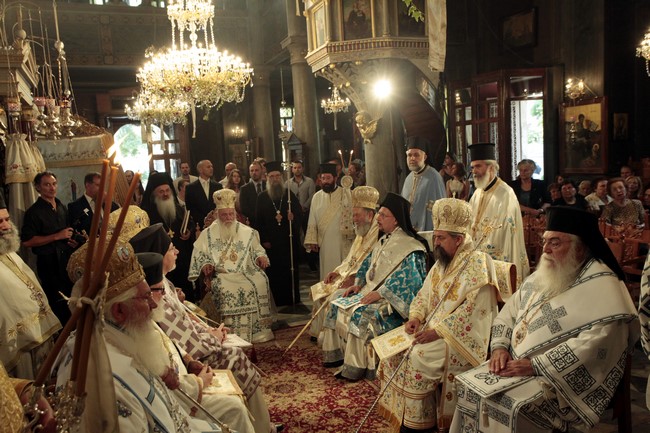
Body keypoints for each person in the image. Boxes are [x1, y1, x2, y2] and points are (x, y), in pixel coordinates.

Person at [451, 206, 638, 433]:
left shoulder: (603, 284)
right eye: (545, 241)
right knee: (469, 389)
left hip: (560, 381)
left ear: (580, 248)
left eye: (555, 243)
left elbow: (598, 342)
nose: (545, 250)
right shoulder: (547, 271)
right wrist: (499, 347)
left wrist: (537, 365)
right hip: (515, 364)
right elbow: (509, 312)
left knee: (509, 405)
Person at [129, 224, 282, 433]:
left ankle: (260, 423)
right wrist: (215, 338)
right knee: (235, 356)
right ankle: (262, 427)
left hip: (192, 354)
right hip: (188, 364)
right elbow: (187, 343)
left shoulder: (164, 284)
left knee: (234, 353)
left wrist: (209, 332)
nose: (177, 251)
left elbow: (187, 323)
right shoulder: (157, 294)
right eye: (172, 248)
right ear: (160, 255)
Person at [59, 242, 223, 433]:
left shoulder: (120, 334)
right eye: (145, 297)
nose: (153, 305)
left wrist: (162, 374)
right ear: (119, 311)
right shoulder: (104, 376)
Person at [378, 198, 509, 433]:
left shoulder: (478, 264)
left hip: (457, 339)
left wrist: (437, 332)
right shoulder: (442, 260)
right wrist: (415, 317)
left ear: (458, 239)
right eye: (435, 236)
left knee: (415, 356)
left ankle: (421, 425)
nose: (435, 242)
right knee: (392, 351)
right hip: (430, 329)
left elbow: (475, 313)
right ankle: (410, 418)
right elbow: (424, 293)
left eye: (441, 238)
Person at [321, 193, 428, 381]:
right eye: (379, 213)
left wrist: (380, 293)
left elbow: (411, 281)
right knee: (337, 301)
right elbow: (367, 265)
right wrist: (358, 285)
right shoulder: (384, 239)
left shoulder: (411, 247)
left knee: (361, 315)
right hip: (368, 291)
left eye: (383, 215)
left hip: (390, 302)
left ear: (396, 219)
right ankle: (336, 355)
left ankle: (357, 366)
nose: (378, 218)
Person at [189, 188, 274, 343]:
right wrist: (206, 263)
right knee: (225, 287)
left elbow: (257, 249)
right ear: (217, 214)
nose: (228, 218)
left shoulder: (247, 232)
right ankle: (229, 331)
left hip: (245, 272)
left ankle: (258, 330)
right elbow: (200, 253)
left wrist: (260, 256)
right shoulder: (208, 234)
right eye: (224, 215)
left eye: (231, 214)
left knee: (261, 281)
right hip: (223, 274)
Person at [0, 197, 61, 379]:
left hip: (39, 336)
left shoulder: (9, 252)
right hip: (16, 347)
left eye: (7, 219)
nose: (6, 226)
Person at [311, 185, 380, 341]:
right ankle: (320, 333)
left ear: (369, 215)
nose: (353, 219)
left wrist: (354, 279)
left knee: (332, 296)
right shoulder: (362, 230)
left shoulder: (378, 233)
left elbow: (372, 264)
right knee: (320, 290)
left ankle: (331, 339)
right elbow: (350, 258)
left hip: (362, 282)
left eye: (357, 215)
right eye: (353, 215)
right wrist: (337, 271)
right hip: (347, 275)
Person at [468, 143, 530, 285]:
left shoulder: (505, 193)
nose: (474, 171)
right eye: (472, 167)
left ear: (491, 167)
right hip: (476, 256)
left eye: (478, 166)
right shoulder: (477, 193)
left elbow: (506, 232)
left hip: (496, 257)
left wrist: (482, 252)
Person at [21, 171, 78, 324]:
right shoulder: (33, 212)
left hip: (66, 261)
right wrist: (56, 236)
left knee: (72, 300)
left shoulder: (61, 206)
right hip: (49, 265)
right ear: (37, 187)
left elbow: (66, 231)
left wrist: (71, 241)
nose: (52, 188)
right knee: (58, 304)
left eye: (54, 184)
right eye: (47, 185)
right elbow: (27, 241)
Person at [141, 172, 197, 301]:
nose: (165, 194)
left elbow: (190, 224)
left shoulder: (178, 209)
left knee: (185, 292)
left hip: (181, 259)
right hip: (162, 264)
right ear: (154, 194)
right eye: (161, 191)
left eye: (167, 190)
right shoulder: (147, 214)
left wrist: (189, 232)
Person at [255, 161, 303, 306]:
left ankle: (292, 298)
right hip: (271, 242)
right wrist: (264, 239)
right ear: (266, 177)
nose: (275, 179)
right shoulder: (262, 197)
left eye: (277, 176)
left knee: (289, 270)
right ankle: (276, 300)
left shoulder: (288, 194)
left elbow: (299, 213)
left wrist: (293, 217)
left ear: (281, 177)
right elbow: (258, 221)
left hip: (288, 240)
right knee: (274, 271)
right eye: (272, 176)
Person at [305, 162, 354, 280]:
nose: (325, 181)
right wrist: (312, 239)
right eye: (323, 178)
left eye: (328, 178)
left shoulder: (345, 193)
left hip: (342, 239)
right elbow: (312, 218)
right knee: (326, 270)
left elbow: (352, 213)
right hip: (324, 241)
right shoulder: (316, 197)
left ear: (335, 178)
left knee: (342, 270)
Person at [400, 137, 446, 231]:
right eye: (409, 155)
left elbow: (440, 209)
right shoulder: (408, 179)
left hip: (427, 230)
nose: (412, 158)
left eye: (416, 155)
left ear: (424, 157)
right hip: (409, 230)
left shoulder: (434, 177)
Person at [67, 172, 119, 238]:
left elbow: (118, 217)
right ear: (88, 185)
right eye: (98, 185)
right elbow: (75, 230)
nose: (102, 189)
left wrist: (107, 203)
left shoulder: (108, 202)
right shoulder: (75, 206)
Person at [184, 160, 221, 230]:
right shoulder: (191, 188)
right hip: (199, 225)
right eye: (208, 167)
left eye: (212, 166)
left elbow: (220, 205)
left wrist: (213, 218)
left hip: (215, 224)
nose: (211, 168)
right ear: (200, 170)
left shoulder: (218, 186)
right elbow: (190, 208)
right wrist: (204, 220)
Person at [239, 161, 266, 226]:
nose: (254, 173)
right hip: (253, 223)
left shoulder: (268, 186)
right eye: (252, 171)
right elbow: (244, 208)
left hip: (267, 222)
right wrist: (258, 217)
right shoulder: (244, 189)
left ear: (261, 171)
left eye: (256, 170)